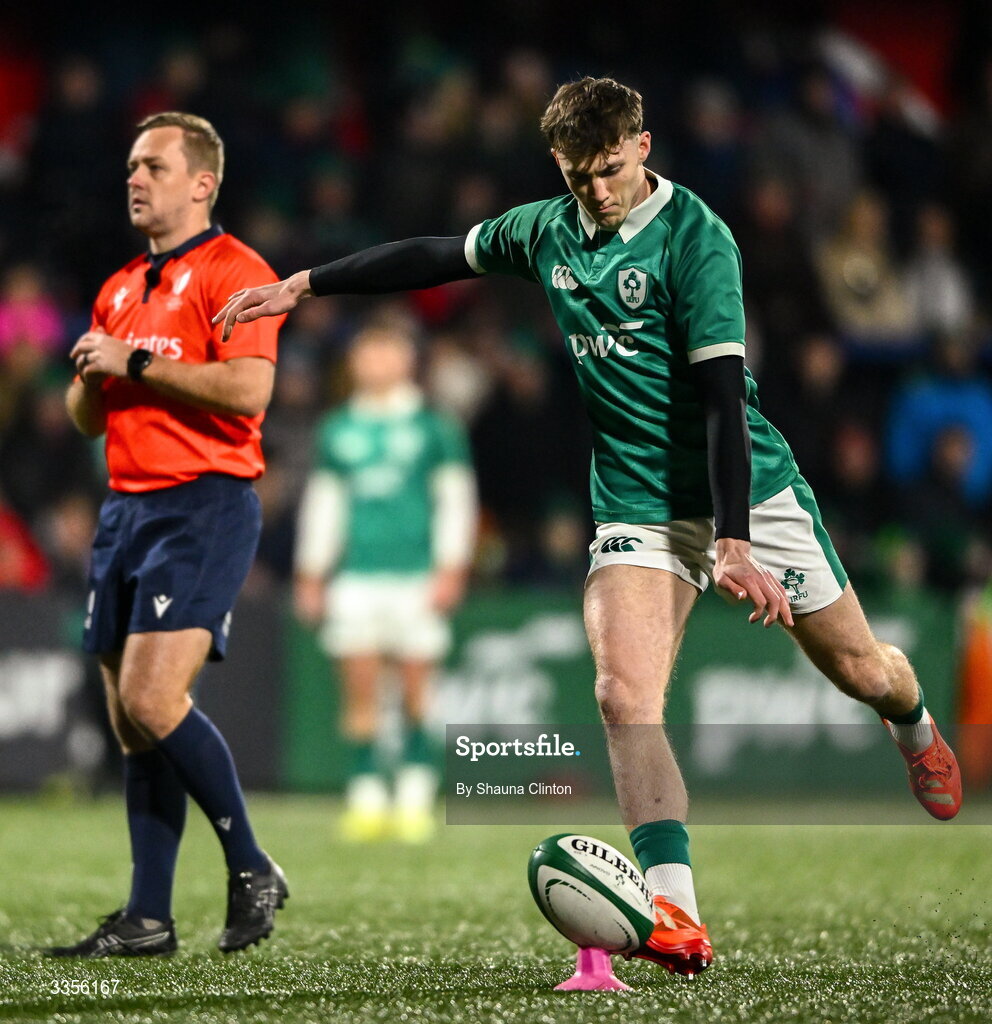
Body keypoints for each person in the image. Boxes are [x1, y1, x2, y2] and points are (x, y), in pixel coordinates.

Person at [215, 78, 962, 977]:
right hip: (636, 505)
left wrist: (731, 539)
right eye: (580, 178)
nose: (598, 194)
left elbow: (725, 401)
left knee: (859, 669)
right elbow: (436, 254)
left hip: (750, 493)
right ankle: (677, 918)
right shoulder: (548, 229)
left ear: (643, 146)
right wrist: (303, 284)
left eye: (610, 170)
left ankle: (913, 722)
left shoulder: (699, 241)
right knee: (621, 697)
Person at [49, 112, 288, 958]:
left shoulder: (239, 272)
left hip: (205, 501)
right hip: (125, 510)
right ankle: (148, 916)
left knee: (154, 699)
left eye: (153, 165)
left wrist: (137, 363)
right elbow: (86, 417)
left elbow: (249, 391)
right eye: (129, 166)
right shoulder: (118, 287)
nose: (135, 178)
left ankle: (252, 861)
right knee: (129, 722)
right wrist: (90, 372)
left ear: (202, 182)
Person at [294, 318, 476, 843]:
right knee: (360, 690)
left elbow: (455, 500)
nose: (375, 362)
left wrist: (452, 566)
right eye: (366, 353)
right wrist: (312, 572)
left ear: (406, 359)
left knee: (418, 687)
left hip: (417, 574)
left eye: (386, 351)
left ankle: (415, 796)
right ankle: (367, 796)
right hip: (356, 576)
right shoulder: (338, 428)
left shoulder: (434, 426)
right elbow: (324, 505)